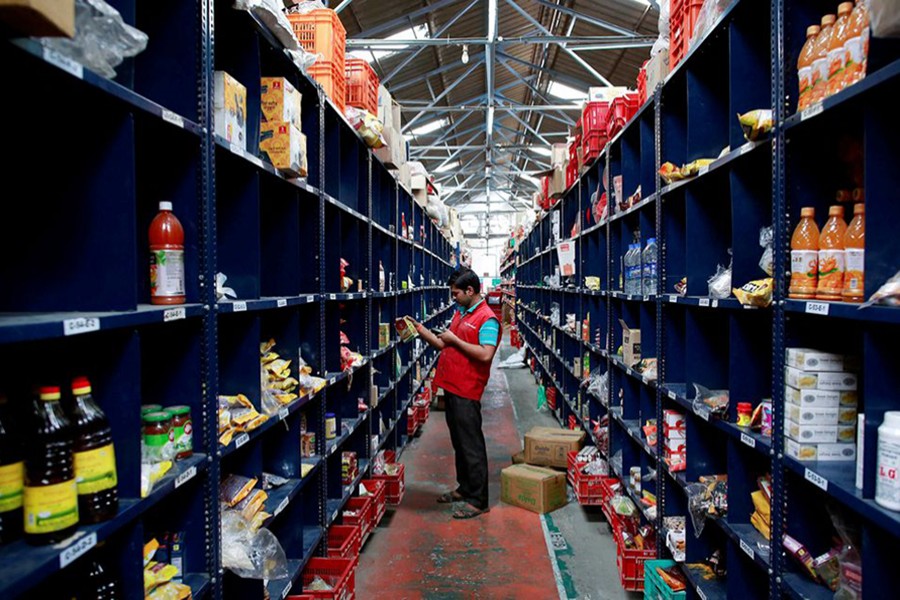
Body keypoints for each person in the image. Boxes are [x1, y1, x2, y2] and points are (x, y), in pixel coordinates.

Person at [408, 268, 501, 519]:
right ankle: (465, 488)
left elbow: (485, 354)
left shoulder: (487, 319)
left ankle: (479, 500)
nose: (454, 298)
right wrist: (418, 329)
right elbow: (442, 344)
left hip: (468, 389)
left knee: (471, 445)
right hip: (452, 385)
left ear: (470, 291)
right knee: (459, 443)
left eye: (456, 293)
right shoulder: (462, 312)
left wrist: (455, 340)